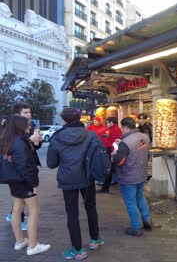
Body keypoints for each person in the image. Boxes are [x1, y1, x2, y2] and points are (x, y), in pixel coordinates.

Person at [47, 108, 104, 260]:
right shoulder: (90, 134)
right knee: (90, 207)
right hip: (87, 176)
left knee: (72, 214)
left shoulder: (57, 137)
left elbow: (51, 164)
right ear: (79, 118)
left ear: (65, 120)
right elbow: (100, 153)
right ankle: (94, 240)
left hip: (67, 179)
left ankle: (78, 250)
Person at [0, 115, 51, 255]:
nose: (30, 126)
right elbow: (24, 166)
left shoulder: (9, 140)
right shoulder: (19, 142)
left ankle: (20, 241)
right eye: (28, 124)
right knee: (34, 210)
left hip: (15, 181)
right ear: (20, 126)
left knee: (17, 209)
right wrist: (33, 184)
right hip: (24, 181)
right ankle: (33, 246)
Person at [112, 117, 152, 236]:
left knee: (130, 202)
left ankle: (136, 227)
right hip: (141, 174)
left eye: (122, 129)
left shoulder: (126, 143)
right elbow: (145, 153)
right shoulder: (145, 137)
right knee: (140, 197)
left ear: (125, 128)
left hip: (128, 176)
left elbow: (119, 162)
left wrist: (114, 154)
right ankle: (147, 220)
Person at [5, 102, 43, 230]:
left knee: (18, 204)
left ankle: (19, 235)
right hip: (19, 172)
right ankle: (29, 240)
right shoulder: (9, 128)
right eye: (25, 113)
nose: (29, 115)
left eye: (29, 112)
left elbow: (32, 147)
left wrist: (36, 142)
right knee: (31, 208)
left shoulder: (29, 127)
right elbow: (17, 150)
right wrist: (32, 184)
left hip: (24, 170)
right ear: (17, 115)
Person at [98, 116, 122, 193]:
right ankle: (105, 187)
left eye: (107, 123)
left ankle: (105, 188)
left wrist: (113, 152)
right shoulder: (113, 129)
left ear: (111, 122)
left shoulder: (115, 129)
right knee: (111, 170)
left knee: (110, 170)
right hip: (111, 151)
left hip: (112, 151)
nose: (106, 124)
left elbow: (116, 142)